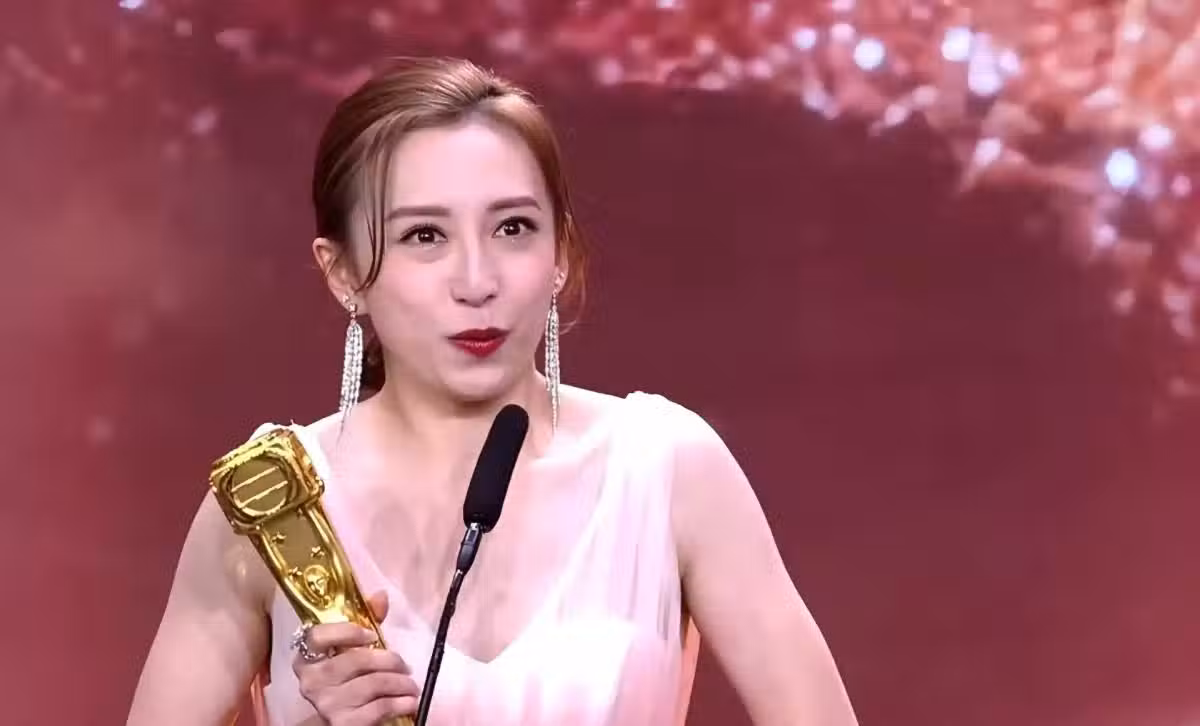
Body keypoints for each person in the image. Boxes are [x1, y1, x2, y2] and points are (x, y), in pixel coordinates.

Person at [126, 56, 860, 726]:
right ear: (342, 272)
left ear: (559, 253)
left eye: (513, 227)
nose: (477, 282)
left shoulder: (667, 469)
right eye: (424, 236)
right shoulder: (271, 506)